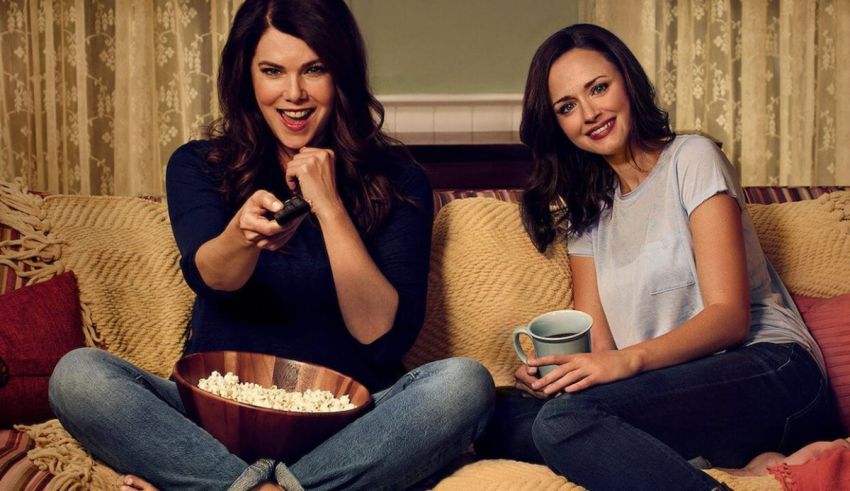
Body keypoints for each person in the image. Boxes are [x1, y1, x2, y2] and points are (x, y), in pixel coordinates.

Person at [47, 1, 494, 490]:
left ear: (340, 74)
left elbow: (380, 336)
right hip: (213, 420)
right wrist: (241, 235)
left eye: (314, 70)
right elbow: (214, 278)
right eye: (272, 71)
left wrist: (330, 206)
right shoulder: (201, 165)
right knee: (79, 377)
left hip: (348, 428)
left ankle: (230, 486)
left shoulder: (397, 179)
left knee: (464, 386)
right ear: (247, 77)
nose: (294, 94)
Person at [474, 23, 841, 491]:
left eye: (599, 88)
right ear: (558, 126)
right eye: (568, 107)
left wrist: (626, 362)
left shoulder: (692, 158)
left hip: (770, 371)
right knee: (497, 418)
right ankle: (724, 463)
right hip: (675, 388)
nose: (589, 113)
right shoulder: (589, 213)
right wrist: (560, 374)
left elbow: (729, 317)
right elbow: (598, 345)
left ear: (628, 81)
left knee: (564, 424)